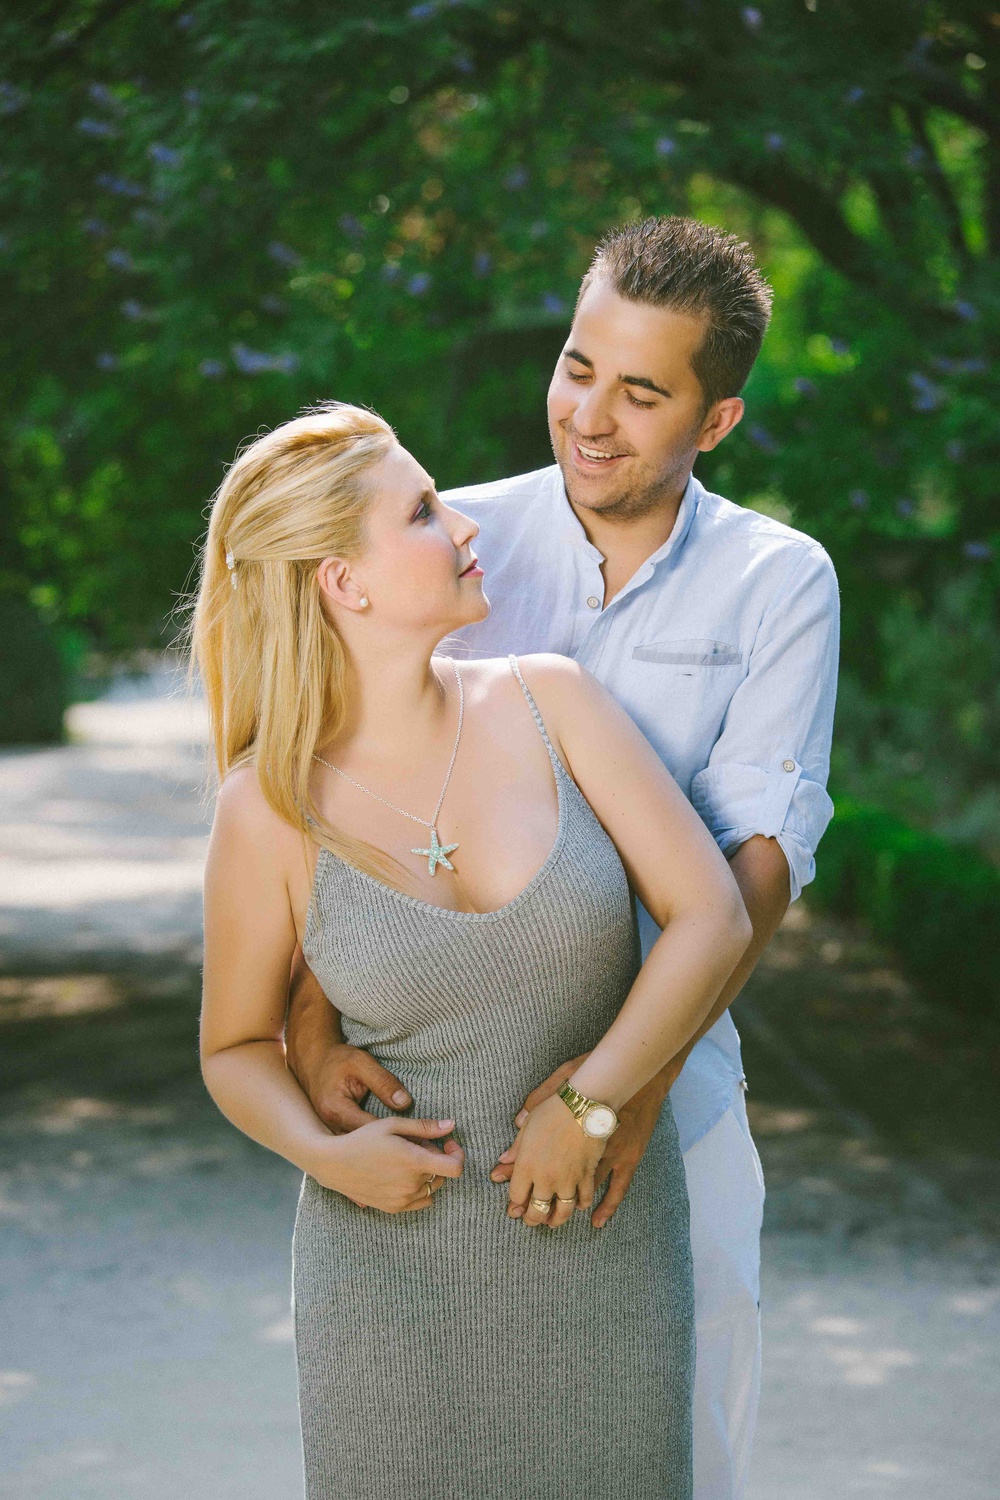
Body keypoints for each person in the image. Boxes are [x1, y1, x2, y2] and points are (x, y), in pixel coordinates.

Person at [284, 216, 841, 1500]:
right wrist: (310, 1024)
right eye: (578, 366)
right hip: (430, 1107)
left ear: (716, 421)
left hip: (675, 1103)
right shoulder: (449, 540)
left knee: (671, 1456)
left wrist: (618, 1093)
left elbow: (757, 863)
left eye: (643, 392)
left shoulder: (777, 581)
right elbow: (327, 788)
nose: (591, 415)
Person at [192, 400, 753, 1498]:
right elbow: (233, 1048)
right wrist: (326, 1153)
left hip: (604, 1252)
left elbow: (713, 918)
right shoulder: (264, 812)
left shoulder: (553, 702)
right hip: (387, 1294)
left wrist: (590, 1102)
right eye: (420, 511)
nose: (463, 527)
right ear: (342, 584)